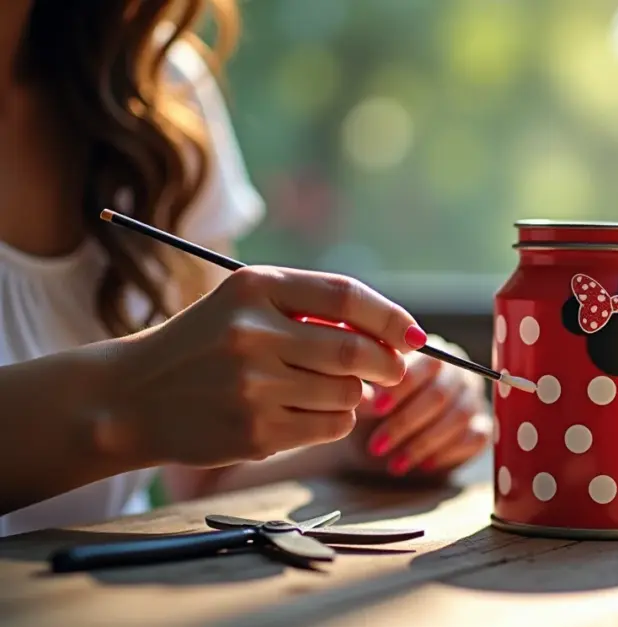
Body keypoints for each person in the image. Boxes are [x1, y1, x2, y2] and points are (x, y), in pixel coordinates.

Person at [0, 0, 491, 536]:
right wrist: (122, 400)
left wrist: (368, 434)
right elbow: (151, 410)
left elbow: (210, 480)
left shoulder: (155, 94)